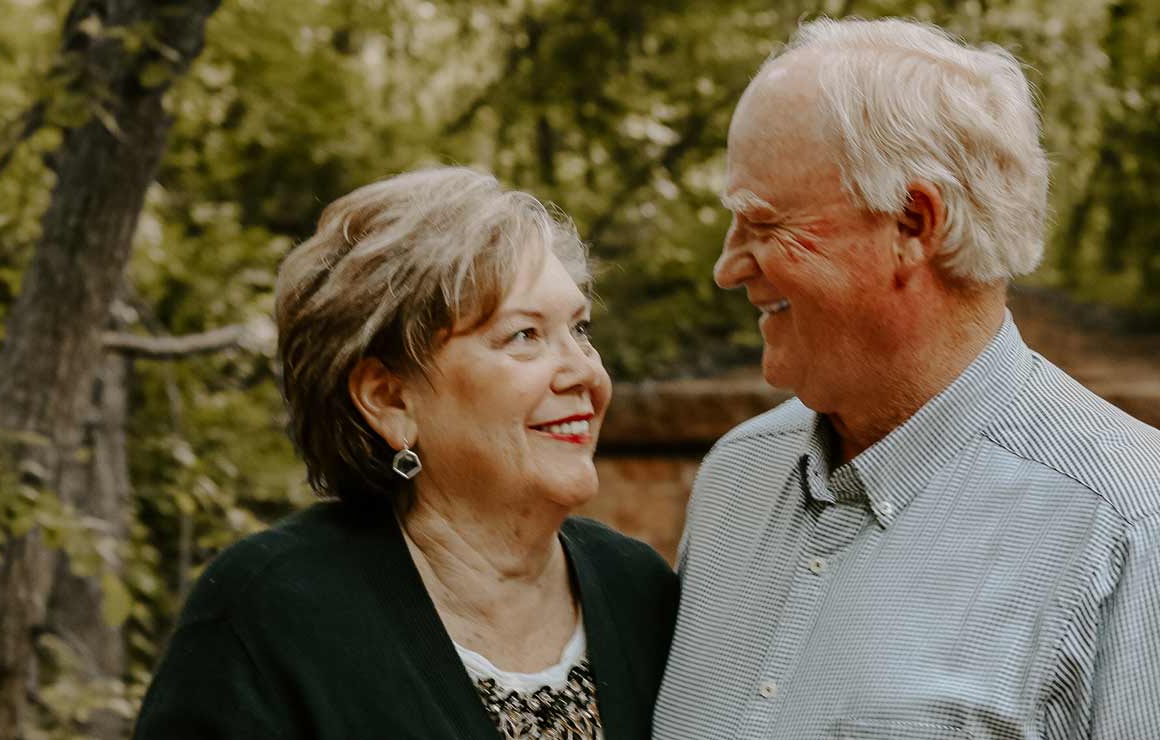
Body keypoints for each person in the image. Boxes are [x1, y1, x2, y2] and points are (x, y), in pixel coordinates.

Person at [653, 17, 1160, 740]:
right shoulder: (735, 478)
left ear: (914, 223)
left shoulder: (1132, 529)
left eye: (762, 223)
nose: (728, 267)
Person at [133, 167, 679, 739]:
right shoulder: (268, 614)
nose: (584, 372)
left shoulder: (636, 590)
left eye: (581, 329)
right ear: (390, 399)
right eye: (524, 335)